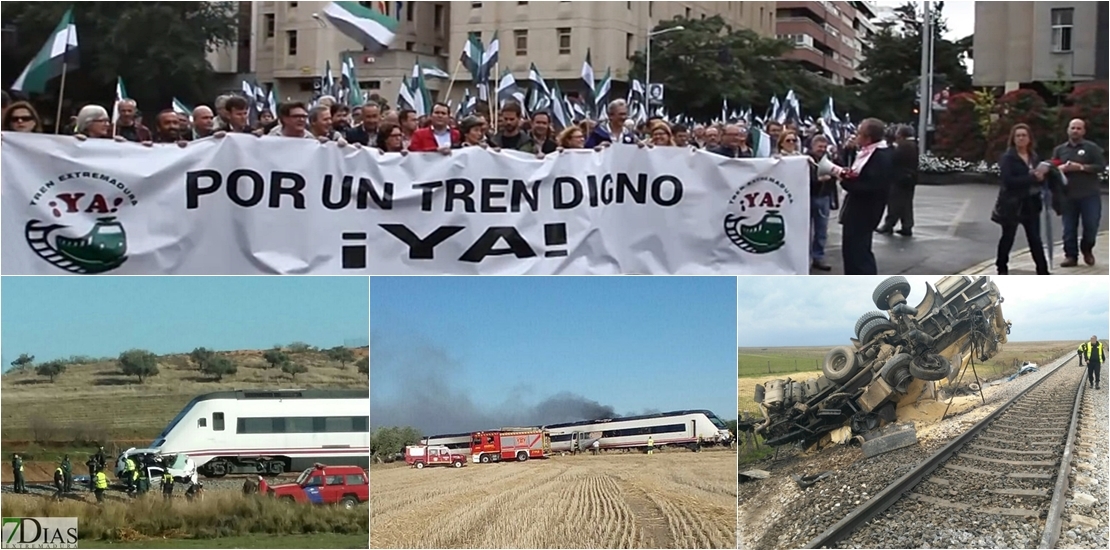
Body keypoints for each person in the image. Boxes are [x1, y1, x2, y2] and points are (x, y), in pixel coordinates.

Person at [838, 118, 894, 275]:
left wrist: (846, 183)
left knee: (859, 254)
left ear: (868, 138)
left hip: (863, 212)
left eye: (859, 133)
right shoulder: (869, 152)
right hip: (857, 210)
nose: (856, 136)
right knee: (850, 251)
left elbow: (872, 186)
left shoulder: (881, 156)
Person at [994, 123, 1050, 275]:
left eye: (1024, 135)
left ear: (1029, 138)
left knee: (1035, 239)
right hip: (1012, 203)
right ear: (1013, 139)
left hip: (1031, 203)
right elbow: (1008, 181)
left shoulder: (1034, 156)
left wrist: (1041, 177)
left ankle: (1042, 270)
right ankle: (1001, 267)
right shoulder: (1008, 158)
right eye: (1018, 136)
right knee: (1008, 237)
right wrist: (1031, 177)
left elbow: (1039, 179)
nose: (1021, 138)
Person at [1052, 119, 1107, 268]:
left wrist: (1081, 167)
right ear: (1068, 130)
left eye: (1078, 128)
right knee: (1069, 227)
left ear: (1083, 131)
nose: (1075, 131)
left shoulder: (1091, 148)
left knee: (1091, 225)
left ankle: (1087, 248)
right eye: (1073, 128)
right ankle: (1071, 255)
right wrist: (1060, 168)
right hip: (1068, 195)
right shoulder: (1060, 149)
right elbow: (1053, 167)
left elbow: (1101, 167)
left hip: (1089, 194)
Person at [877, 126, 920, 237]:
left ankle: (889, 225)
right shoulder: (912, 145)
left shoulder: (903, 146)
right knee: (906, 203)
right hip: (909, 178)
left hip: (900, 178)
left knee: (894, 202)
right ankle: (907, 226)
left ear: (901, 134)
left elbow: (894, 159)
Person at [808, 135, 837, 272]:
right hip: (808, 197)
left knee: (821, 230)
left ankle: (818, 256)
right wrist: (818, 180)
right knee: (805, 230)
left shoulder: (829, 159)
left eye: (824, 147)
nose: (822, 149)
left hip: (824, 197)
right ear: (812, 146)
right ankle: (805, 257)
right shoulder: (804, 160)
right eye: (819, 147)